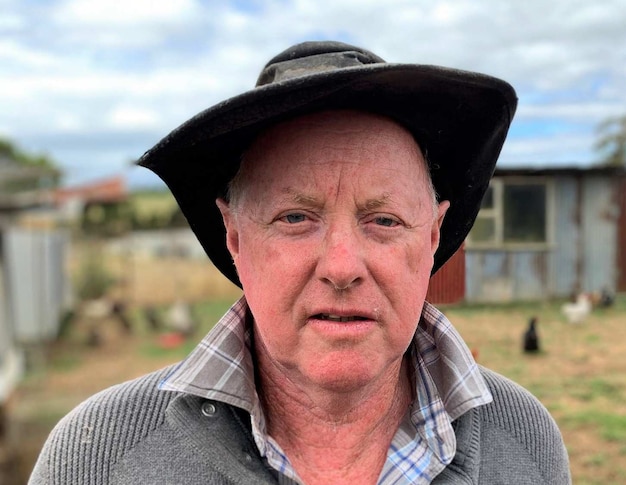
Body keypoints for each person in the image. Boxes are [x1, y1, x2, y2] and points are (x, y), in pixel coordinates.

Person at [30, 41, 571, 484]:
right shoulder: (94, 459)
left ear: (432, 237)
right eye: (294, 218)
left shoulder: (526, 442)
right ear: (235, 237)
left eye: (384, 220)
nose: (342, 266)